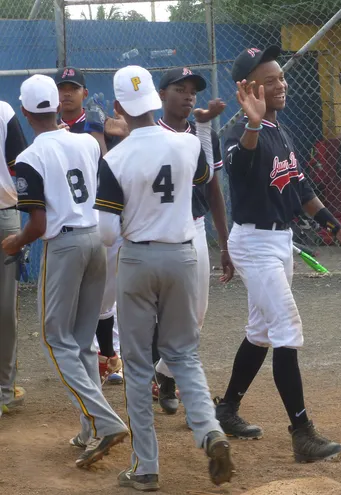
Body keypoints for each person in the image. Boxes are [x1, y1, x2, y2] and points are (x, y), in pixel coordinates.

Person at [95, 65, 232, 490]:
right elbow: (206, 186)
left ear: (119, 107)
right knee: (184, 354)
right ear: (156, 100)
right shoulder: (188, 145)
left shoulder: (114, 158)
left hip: (138, 258)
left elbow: (105, 234)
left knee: (137, 366)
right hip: (183, 254)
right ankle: (209, 431)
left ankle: (147, 467)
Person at [213, 46, 341, 462]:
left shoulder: (282, 131)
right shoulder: (238, 133)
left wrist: (338, 229)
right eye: (269, 79)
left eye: (281, 77)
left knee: (261, 331)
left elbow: (303, 192)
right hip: (252, 244)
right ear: (247, 88)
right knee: (287, 329)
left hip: (277, 242)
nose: (280, 84)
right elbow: (241, 169)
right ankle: (302, 433)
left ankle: (226, 409)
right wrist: (252, 123)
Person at [2, 74, 129, 467]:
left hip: (65, 246)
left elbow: (38, 226)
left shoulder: (30, 157)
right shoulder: (88, 141)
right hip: (95, 241)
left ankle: (106, 421)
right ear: (58, 105)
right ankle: (90, 429)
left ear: (24, 112)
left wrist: (13, 243)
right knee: (82, 339)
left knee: (55, 339)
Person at [152, 67, 233, 416]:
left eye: (192, 91)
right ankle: (185, 391)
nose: (187, 96)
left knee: (195, 315)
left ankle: (164, 373)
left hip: (195, 227)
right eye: (179, 89)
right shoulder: (149, 133)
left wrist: (225, 244)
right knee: (160, 313)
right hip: (155, 232)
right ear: (161, 95)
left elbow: (213, 189)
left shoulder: (202, 133)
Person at [55, 66, 125, 386]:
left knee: (109, 292)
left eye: (73, 87)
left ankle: (112, 356)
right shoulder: (49, 128)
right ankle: (93, 355)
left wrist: (104, 129)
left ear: (84, 92)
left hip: (102, 216)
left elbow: (108, 161)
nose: (66, 93)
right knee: (78, 296)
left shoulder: (97, 124)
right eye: (61, 88)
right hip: (68, 222)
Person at [0, 99, 27, 418]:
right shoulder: (4, 110)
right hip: (6, 214)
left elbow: (18, 164)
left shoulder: (4, 111)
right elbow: (19, 165)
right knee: (5, 308)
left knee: (5, 308)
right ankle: (4, 389)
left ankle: (5, 389)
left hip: (5, 214)